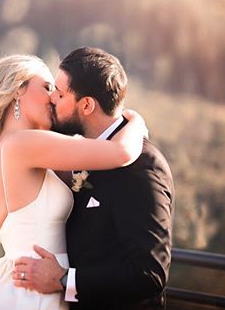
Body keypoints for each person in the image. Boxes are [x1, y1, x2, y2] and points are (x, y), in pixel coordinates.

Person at [0, 54, 148, 310]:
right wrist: (135, 122)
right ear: (17, 89)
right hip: (38, 291)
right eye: (46, 87)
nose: (54, 97)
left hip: (28, 280)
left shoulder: (7, 147)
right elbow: (120, 153)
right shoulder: (23, 144)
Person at [12, 47, 174, 309]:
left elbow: (150, 275)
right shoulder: (83, 153)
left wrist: (65, 279)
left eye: (61, 94)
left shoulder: (142, 167)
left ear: (86, 105)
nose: (52, 98)